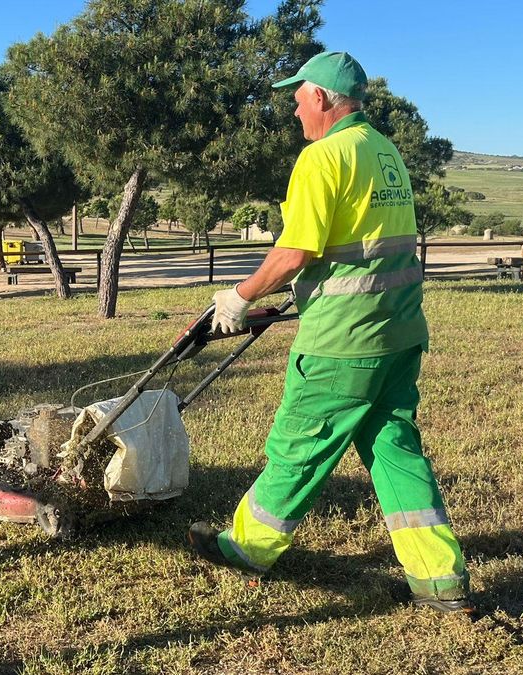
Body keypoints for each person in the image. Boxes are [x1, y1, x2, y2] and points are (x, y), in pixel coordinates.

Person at [185, 51, 472, 613]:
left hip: (344, 343)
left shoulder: (323, 158)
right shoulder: (385, 152)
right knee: (395, 453)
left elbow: (295, 251)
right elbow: (362, 251)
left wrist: (239, 297)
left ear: (319, 97)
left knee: (298, 448)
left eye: (297, 99)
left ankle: (247, 547)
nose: (295, 111)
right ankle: (440, 578)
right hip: (399, 334)